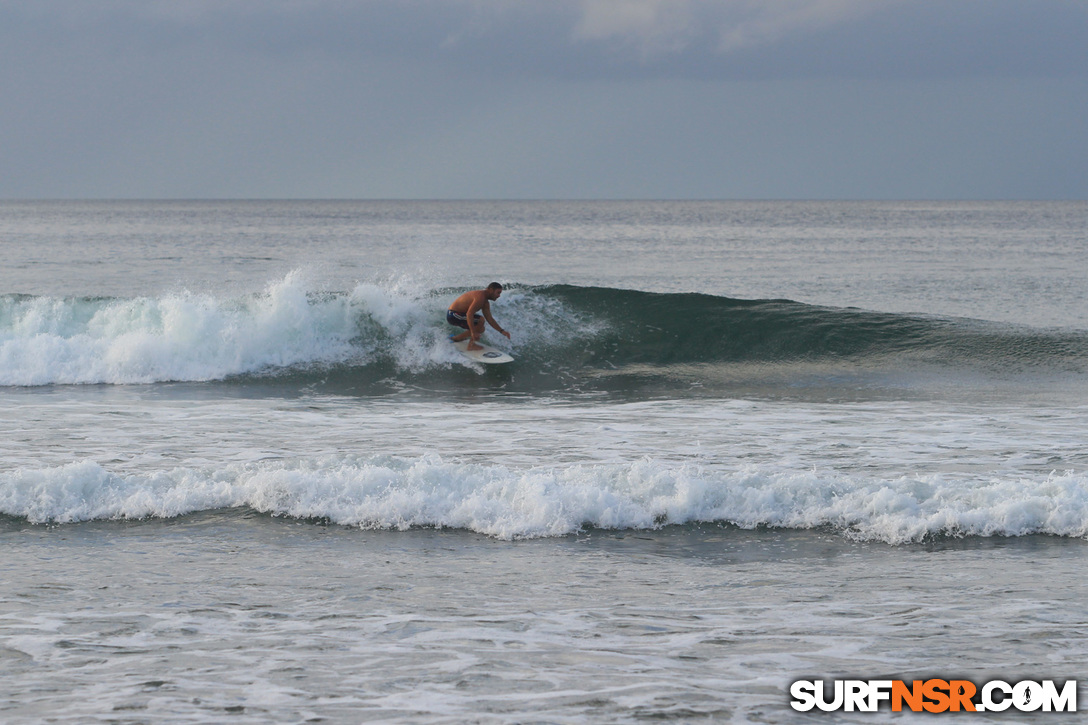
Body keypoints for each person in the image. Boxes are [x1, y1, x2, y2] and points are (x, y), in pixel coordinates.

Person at [447, 282, 511, 351]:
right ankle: (471, 345)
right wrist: (473, 332)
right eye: (498, 293)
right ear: (491, 290)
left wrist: (502, 331)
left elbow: (490, 319)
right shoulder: (480, 297)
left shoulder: (485, 302)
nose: (499, 296)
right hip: (453, 315)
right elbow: (469, 314)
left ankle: (456, 338)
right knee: (481, 320)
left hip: (458, 315)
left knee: (481, 329)